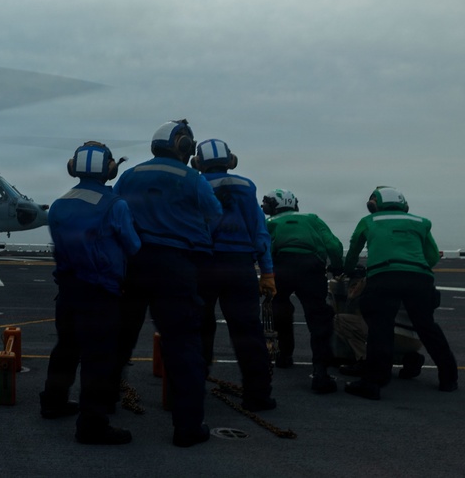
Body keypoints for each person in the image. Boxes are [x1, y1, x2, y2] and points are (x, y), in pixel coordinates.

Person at [114, 119, 222, 448]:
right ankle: (187, 427)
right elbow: (214, 214)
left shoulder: (128, 175)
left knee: (118, 342)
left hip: (133, 263)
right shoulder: (192, 178)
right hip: (177, 267)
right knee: (183, 346)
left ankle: (99, 413)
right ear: (185, 147)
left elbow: (113, 213)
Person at [40, 142, 141, 445]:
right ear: (110, 169)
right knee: (99, 359)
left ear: (73, 167)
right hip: (101, 293)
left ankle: (53, 403)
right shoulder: (115, 205)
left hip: (68, 291)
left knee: (65, 350)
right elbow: (133, 246)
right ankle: (92, 425)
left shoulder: (59, 204)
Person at [342, 187, 458, 400]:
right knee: (427, 327)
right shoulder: (420, 222)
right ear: (404, 205)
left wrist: (348, 269)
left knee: (380, 329)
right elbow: (431, 256)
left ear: (374, 204)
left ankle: (374, 383)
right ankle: (448, 378)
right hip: (419, 279)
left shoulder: (369, 221)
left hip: (383, 277)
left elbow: (353, 251)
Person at [191, 139, 276, 411]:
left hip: (202, 265)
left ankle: (191, 389)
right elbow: (259, 232)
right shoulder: (246, 186)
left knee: (199, 329)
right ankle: (258, 395)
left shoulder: (193, 184)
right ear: (231, 161)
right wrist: (268, 272)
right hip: (239, 267)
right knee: (248, 332)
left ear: (198, 163)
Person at [262, 189, 343, 393]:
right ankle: (321, 371)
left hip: (281, 266)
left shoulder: (270, 223)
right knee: (318, 317)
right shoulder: (312, 218)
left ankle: (284, 354)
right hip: (311, 267)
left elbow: (262, 248)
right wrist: (339, 266)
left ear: (273, 206)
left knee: (280, 308)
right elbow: (333, 244)